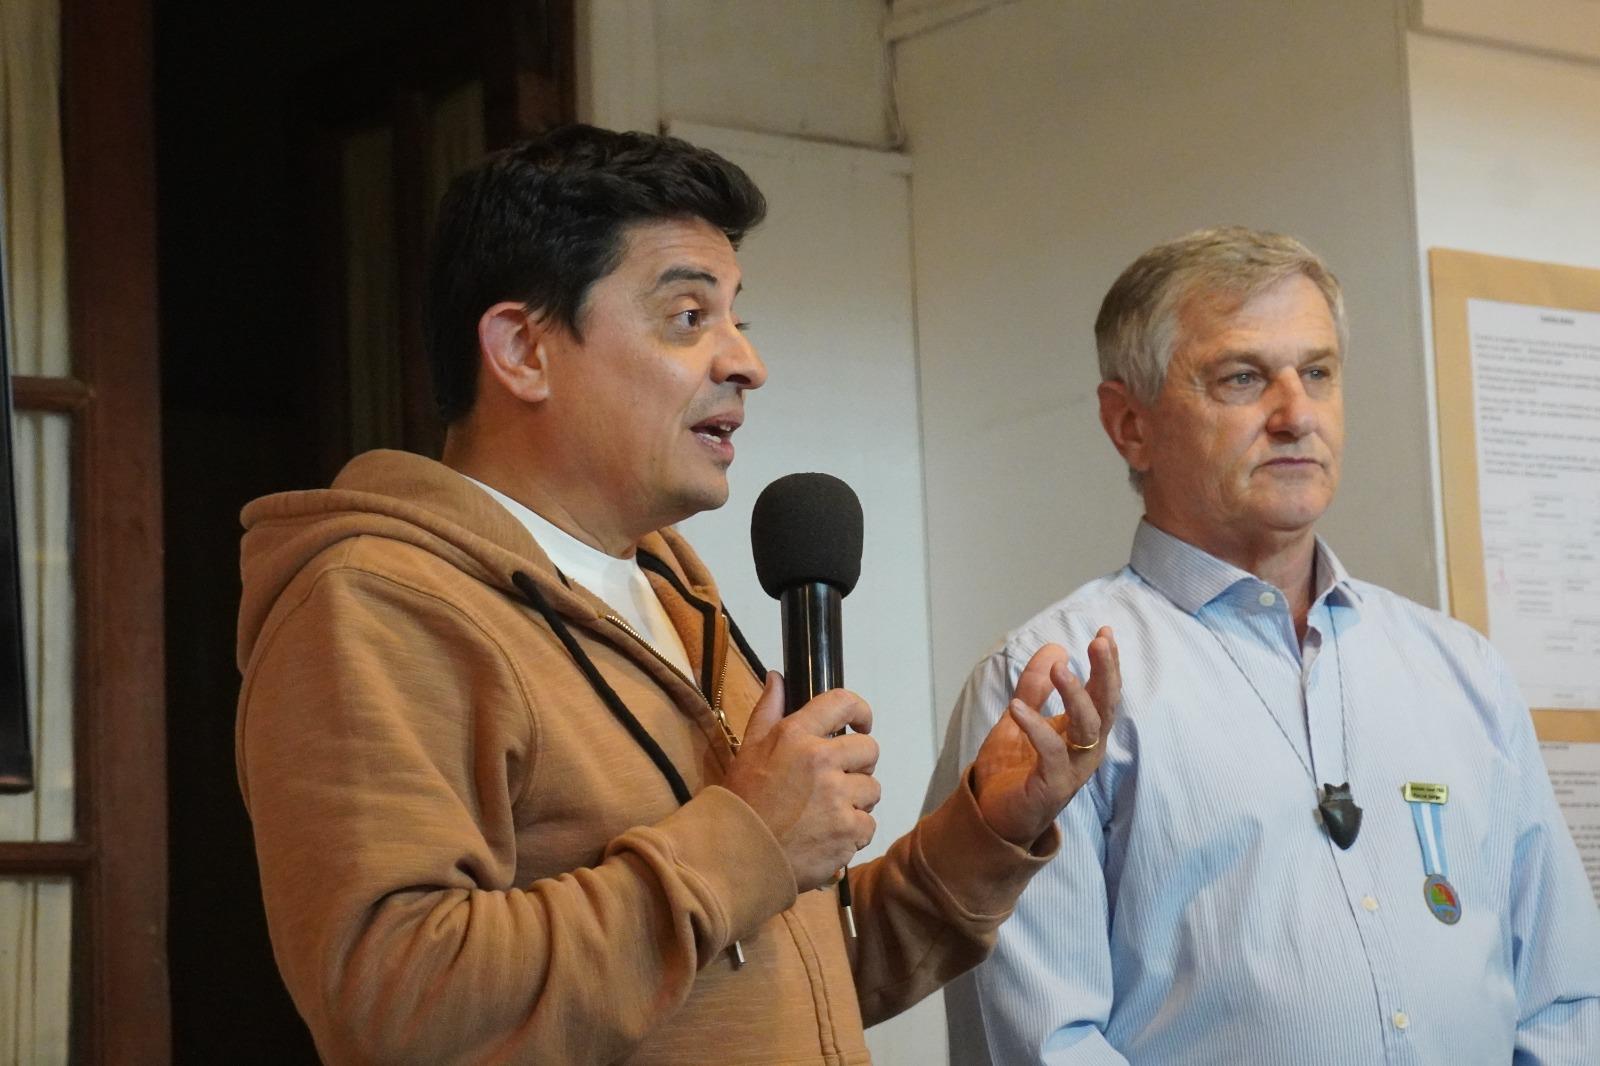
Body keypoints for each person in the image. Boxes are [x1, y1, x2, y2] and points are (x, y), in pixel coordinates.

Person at [234, 124, 1120, 1065]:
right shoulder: (376, 604)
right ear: (523, 350)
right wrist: (747, 839)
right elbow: (399, 1007)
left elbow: (775, 974)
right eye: (689, 317)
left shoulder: (668, 590)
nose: (746, 363)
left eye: (738, 319)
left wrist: (988, 828)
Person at [931, 226, 1600, 1064]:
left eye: (1317, 373)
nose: (1296, 415)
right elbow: (1043, 1044)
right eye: (1243, 378)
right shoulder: (1051, 683)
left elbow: (1565, 997)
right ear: (1130, 425)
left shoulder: (1462, 670)